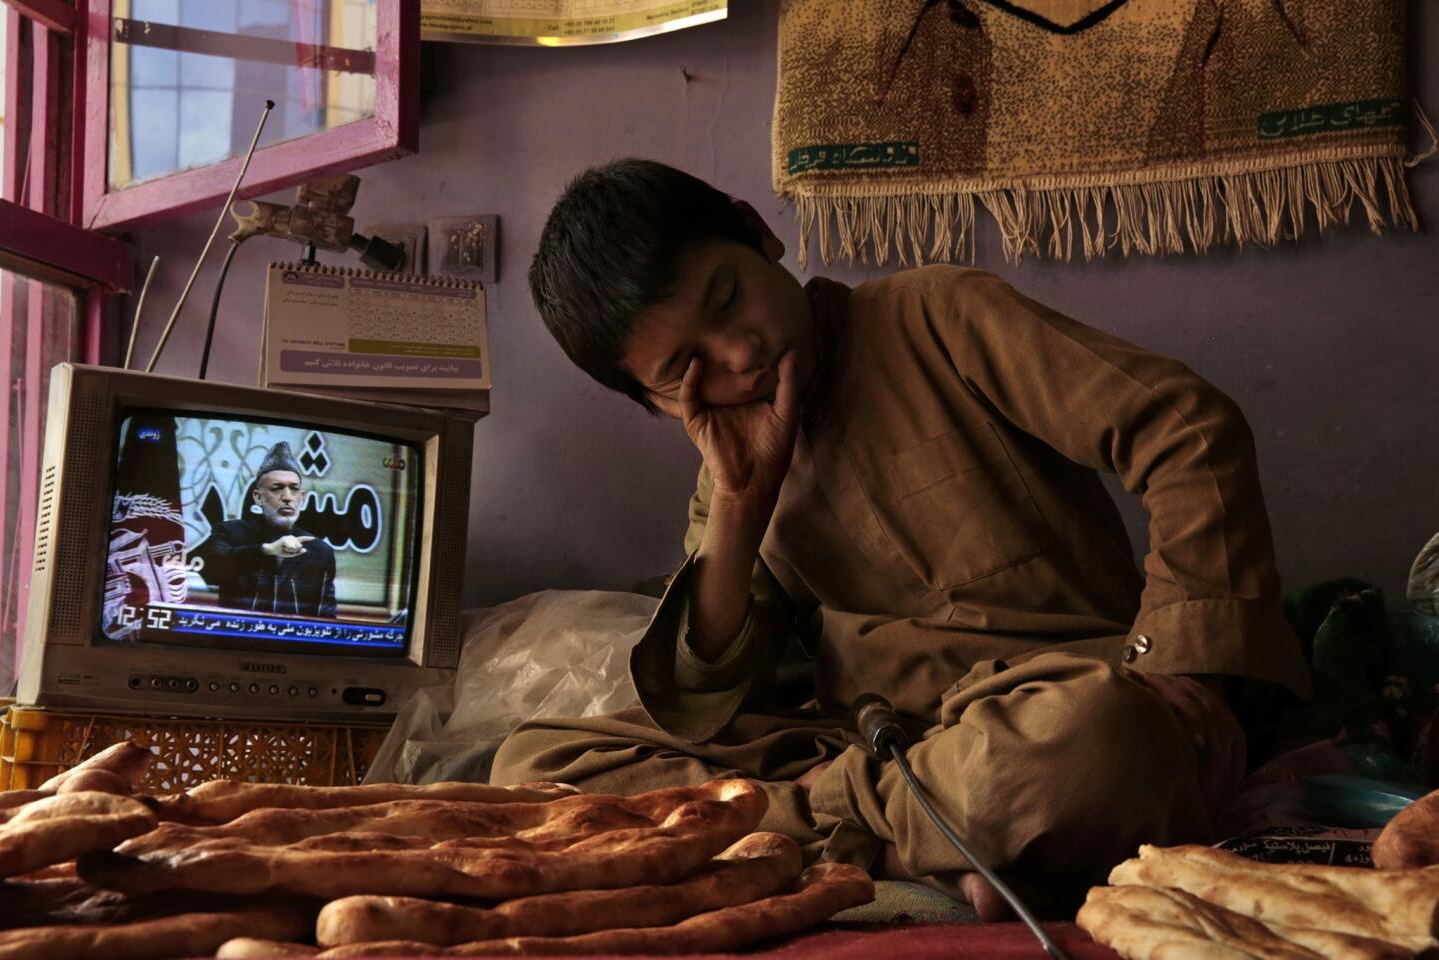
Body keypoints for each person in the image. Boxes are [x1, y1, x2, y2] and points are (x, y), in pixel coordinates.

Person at [492, 158, 1311, 917]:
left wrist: (1182, 673)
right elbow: (708, 709)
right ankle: (919, 838)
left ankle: (842, 833)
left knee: (1098, 749)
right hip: (873, 744)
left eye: (728, 297)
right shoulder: (730, 466)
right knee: (532, 766)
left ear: (758, 232)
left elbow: (1184, 429)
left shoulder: (936, 315)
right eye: (686, 370)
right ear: (654, 402)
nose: (740, 354)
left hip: (1045, 714)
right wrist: (742, 502)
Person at [202, 441, 337, 619]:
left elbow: (326, 615)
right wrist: (267, 550)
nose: (288, 497)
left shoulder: (320, 551)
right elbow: (212, 572)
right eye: (277, 488)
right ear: (258, 497)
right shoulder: (231, 532)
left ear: (302, 498)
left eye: (294, 489)